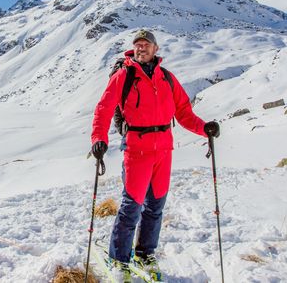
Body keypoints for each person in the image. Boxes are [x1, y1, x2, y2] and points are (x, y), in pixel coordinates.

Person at [90, 29, 220, 281]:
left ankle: (145, 253)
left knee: (156, 207)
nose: (141, 48)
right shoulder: (124, 76)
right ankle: (118, 260)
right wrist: (99, 139)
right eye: (137, 44)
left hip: (163, 151)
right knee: (131, 207)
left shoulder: (167, 78)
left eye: (146, 44)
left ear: (155, 49)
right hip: (137, 150)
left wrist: (204, 128)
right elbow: (103, 109)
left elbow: (183, 112)